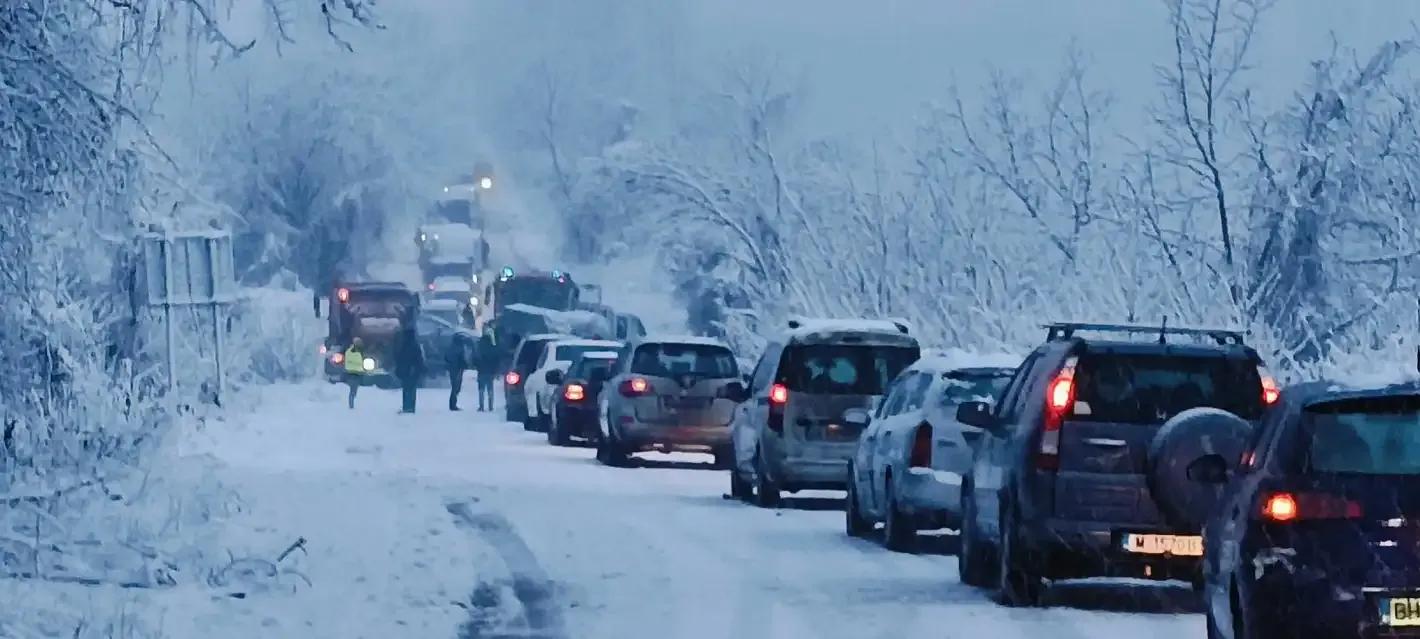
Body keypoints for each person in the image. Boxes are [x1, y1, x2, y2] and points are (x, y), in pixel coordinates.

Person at [394, 328, 425, 414]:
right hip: (413, 371)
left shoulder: (403, 345)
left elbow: (399, 358)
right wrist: (421, 369)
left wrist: (398, 369)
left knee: (406, 389)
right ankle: (411, 407)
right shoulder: (415, 345)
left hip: (405, 371)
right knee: (412, 390)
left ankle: (406, 406)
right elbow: (419, 359)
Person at [474, 329, 499, 412]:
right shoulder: (492, 347)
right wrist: (495, 370)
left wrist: (477, 367)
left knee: (481, 389)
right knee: (490, 389)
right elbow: (496, 359)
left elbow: (475, 359)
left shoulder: (479, 347)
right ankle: (490, 406)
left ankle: (481, 406)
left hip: (481, 371)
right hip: (490, 371)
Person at [445, 333, 469, 411]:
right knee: (456, 387)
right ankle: (453, 405)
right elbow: (461, 359)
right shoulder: (459, 348)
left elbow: (446, 358)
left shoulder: (451, 347)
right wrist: (464, 365)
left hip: (453, 369)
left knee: (455, 387)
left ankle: (452, 404)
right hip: (457, 369)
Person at [343, 338, 366, 409]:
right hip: (355, 373)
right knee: (353, 390)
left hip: (351, 372)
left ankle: (351, 403)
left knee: (353, 389)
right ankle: (351, 405)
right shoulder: (357, 351)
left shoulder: (349, 351)